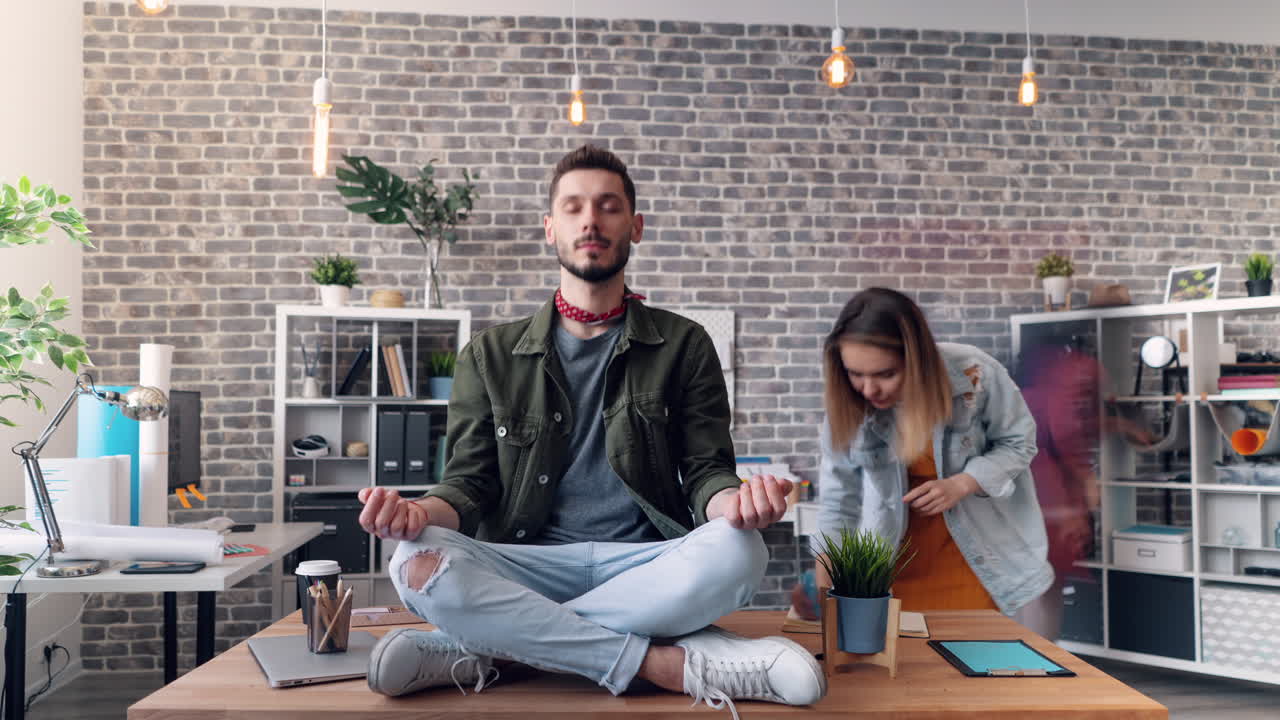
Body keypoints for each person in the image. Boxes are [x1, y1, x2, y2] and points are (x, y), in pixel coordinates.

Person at [355, 144, 826, 714]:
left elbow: (706, 473)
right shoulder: (489, 354)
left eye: (608, 206)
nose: (591, 219)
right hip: (527, 563)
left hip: (645, 564)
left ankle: (495, 651)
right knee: (410, 558)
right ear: (550, 229)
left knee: (742, 552)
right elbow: (468, 486)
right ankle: (664, 663)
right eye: (574, 207)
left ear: (636, 226)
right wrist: (415, 514)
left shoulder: (684, 344)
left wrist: (738, 505)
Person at [797, 287, 1053, 622]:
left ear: (916, 360)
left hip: (978, 567)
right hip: (889, 574)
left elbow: (1019, 443)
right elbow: (838, 502)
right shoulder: (849, 405)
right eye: (855, 374)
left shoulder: (974, 375)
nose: (868, 389)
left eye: (885, 374)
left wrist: (963, 483)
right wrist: (825, 587)